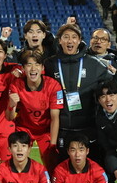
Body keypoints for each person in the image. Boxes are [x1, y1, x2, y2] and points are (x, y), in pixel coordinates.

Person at [44, 23, 109, 155]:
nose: (70, 40)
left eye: (74, 37)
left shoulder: (94, 64)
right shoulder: (50, 64)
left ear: (79, 41)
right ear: (59, 40)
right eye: (66, 37)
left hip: (87, 128)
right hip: (61, 128)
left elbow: (114, 87)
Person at [6, 50, 63, 171]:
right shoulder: (16, 84)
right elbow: (9, 117)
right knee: (17, 160)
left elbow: (55, 117)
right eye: (29, 64)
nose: (33, 68)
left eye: (37, 64)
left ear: (42, 68)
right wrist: (11, 105)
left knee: (52, 164)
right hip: (24, 128)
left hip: (45, 130)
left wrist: (52, 144)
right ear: (24, 68)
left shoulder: (53, 85)